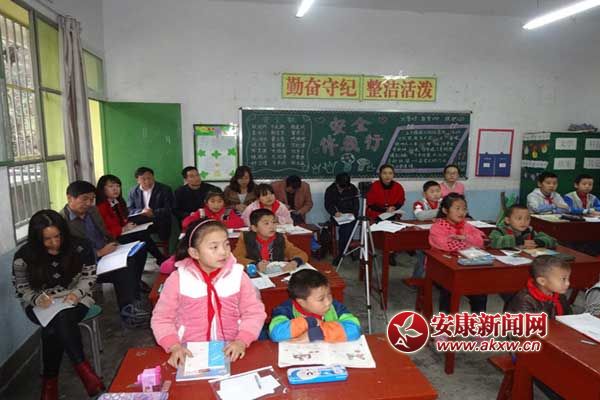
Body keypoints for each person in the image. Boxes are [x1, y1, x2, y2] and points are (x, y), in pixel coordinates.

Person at [12, 210, 104, 399]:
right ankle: (85, 372)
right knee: (59, 319)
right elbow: (21, 288)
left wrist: (76, 294)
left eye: (58, 236)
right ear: (37, 239)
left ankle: (50, 384)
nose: (55, 243)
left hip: (77, 297)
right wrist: (36, 299)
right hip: (40, 302)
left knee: (54, 327)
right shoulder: (24, 256)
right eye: (47, 239)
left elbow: (89, 277)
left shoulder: (80, 246)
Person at [151, 219, 266, 368]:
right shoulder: (178, 279)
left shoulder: (238, 276)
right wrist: (173, 346)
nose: (223, 252)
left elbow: (254, 312)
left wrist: (242, 340)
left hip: (232, 350)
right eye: (214, 247)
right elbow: (162, 318)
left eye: (226, 244)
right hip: (189, 352)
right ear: (194, 253)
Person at [60, 181, 150, 327]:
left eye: (92, 199)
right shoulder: (62, 222)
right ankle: (129, 314)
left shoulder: (92, 211)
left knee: (137, 253)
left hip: (107, 254)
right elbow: (68, 254)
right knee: (124, 269)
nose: (89, 203)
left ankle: (133, 300)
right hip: (87, 266)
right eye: (84, 199)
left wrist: (116, 244)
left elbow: (104, 233)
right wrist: (99, 252)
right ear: (70, 198)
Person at [429, 193, 488, 327]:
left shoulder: (466, 225)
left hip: (466, 267)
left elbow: (481, 240)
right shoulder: (437, 227)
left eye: (464, 209)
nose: (462, 212)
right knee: (448, 291)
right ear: (445, 210)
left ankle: (478, 327)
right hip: (442, 269)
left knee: (480, 291)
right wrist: (469, 243)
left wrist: (465, 238)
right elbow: (445, 245)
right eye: (457, 208)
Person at [269, 269, 361, 342]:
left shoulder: (336, 307)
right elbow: (276, 333)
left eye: (329, 294)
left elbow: (354, 328)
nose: (328, 302)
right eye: (321, 299)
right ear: (301, 302)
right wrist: (310, 322)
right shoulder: (285, 310)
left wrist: (318, 333)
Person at [96, 174, 167, 264]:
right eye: (111, 186)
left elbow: (121, 219)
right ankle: (161, 259)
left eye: (118, 186)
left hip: (121, 233)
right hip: (112, 237)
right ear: (102, 189)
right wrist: (123, 229)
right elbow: (104, 229)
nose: (115, 189)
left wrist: (127, 225)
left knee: (143, 233)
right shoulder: (101, 207)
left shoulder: (117, 202)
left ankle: (160, 259)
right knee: (142, 237)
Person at [233, 209, 308, 272]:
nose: (272, 226)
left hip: (277, 274)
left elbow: (301, 254)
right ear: (254, 228)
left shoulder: (280, 238)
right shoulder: (246, 238)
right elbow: (236, 258)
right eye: (266, 223)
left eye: (274, 222)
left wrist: (295, 262)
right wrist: (255, 264)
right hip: (255, 275)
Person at [506, 255, 571, 318]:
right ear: (542, 281)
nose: (568, 283)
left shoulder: (560, 296)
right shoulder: (524, 301)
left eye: (568, 278)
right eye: (563, 279)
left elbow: (568, 317)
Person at [127, 166, 174, 241]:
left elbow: (169, 208)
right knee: (138, 236)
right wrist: (141, 211)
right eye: (143, 179)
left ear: (153, 177)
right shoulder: (133, 192)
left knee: (162, 232)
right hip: (141, 222)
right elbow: (129, 209)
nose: (147, 181)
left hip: (160, 221)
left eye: (149, 178)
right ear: (138, 180)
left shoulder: (165, 189)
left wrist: (153, 212)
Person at [324, 173, 359, 264]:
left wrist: (353, 213)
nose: (342, 189)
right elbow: (328, 205)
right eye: (341, 187)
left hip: (350, 216)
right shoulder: (330, 190)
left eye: (345, 187)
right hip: (337, 216)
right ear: (336, 183)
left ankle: (341, 253)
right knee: (346, 230)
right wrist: (334, 212)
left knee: (346, 229)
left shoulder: (352, 188)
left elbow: (356, 204)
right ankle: (345, 251)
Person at [489, 204, 557, 249]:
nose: (523, 222)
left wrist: (538, 242)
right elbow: (492, 242)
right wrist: (519, 241)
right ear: (507, 220)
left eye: (527, 219)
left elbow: (553, 241)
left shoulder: (529, 231)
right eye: (519, 218)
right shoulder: (500, 231)